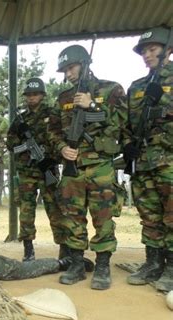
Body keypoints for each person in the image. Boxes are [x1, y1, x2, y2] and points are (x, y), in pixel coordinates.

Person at [47, 44, 126, 290]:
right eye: (65, 70)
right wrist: (61, 147)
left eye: (71, 67)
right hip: (73, 167)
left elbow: (122, 124)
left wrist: (92, 106)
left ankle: (102, 264)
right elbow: (52, 131)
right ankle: (77, 263)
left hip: (100, 165)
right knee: (72, 217)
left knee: (103, 216)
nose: (68, 74)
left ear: (84, 64)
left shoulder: (111, 89)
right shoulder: (63, 99)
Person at [123, 26, 172, 292]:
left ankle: (172, 268)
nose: (147, 55)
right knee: (150, 216)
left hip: (170, 161)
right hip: (143, 162)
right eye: (144, 51)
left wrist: (164, 101)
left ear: (168, 49)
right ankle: (153, 263)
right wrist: (128, 145)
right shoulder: (137, 86)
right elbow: (128, 124)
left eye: (152, 49)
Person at [6, 78, 67, 261]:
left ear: (42, 95)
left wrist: (50, 157)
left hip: (47, 168)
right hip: (27, 172)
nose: (32, 98)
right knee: (26, 211)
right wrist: (24, 143)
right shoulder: (20, 120)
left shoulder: (52, 114)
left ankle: (64, 248)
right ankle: (28, 249)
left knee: (55, 209)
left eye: (35, 94)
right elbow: (10, 143)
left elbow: (61, 136)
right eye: (29, 95)